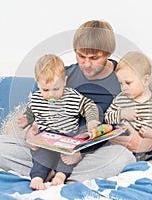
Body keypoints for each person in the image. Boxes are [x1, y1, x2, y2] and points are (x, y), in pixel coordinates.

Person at [0, 20, 152, 183]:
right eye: (81, 56)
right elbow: (37, 112)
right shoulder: (60, 76)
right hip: (54, 146)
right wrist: (31, 135)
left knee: (121, 158)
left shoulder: (125, 78)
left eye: (94, 57)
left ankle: (49, 172)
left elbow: (150, 119)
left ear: (108, 53)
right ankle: (57, 171)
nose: (86, 64)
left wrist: (144, 142)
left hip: (93, 151)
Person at [19, 54, 100, 190]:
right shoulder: (36, 98)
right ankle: (38, 177)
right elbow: (30, 112)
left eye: (56, 89)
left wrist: (92, 120)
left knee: (68, 156)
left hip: (67, 137)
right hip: (46, 138)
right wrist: (25, 120)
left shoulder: (71, 96)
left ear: (64, 81)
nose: (51, 95)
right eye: (45, 89)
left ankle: (60, 175)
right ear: (37, 83)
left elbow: (89, 105)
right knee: (40, 156)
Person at [105, 51, 152, 160]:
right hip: (119, 149)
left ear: (145, 80)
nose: (123, 88)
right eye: (120, 83)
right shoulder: (121, 99)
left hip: (146, 152)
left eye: (128, 83)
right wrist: (121, 114)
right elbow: (108, 117)